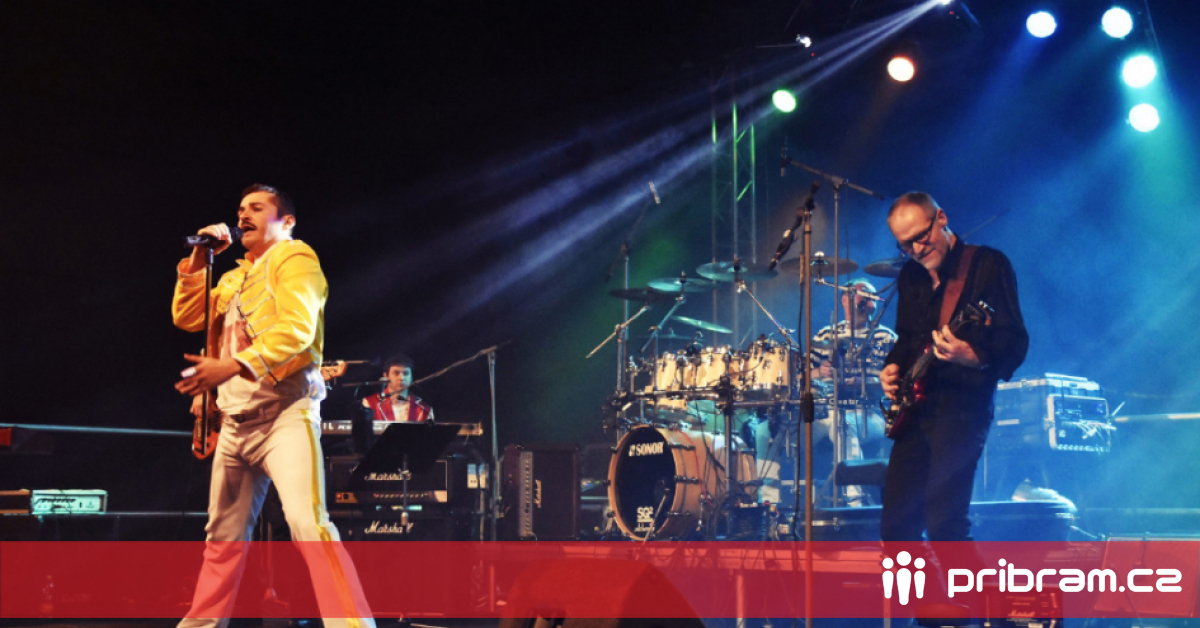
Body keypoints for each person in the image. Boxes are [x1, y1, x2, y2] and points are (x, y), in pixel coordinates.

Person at [172, 184, 374, 628]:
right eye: (241, 208)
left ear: (287, 221)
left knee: (307, 526)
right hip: (234, 425)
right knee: (222, 542)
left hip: (285, 417)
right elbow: (188, 317)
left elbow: (297, 328)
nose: (243, 214)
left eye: (257, 207)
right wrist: (200, 260)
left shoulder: (295, 257)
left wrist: (232, 365)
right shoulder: (231, 278)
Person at [879, 191, 1028, 544]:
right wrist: (892, 367)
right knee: (896, 530)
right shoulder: (910, 276)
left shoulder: (988, 265)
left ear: (941, 218)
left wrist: (973, 355)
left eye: (921, 237)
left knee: (945, 524)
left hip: (963, 408)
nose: (916, 250)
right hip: (915, 410)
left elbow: (1015, 340)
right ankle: (925, 585)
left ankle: (967, 584)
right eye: (905, 245)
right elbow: (906, 338)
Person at [755, 279, 897, 506]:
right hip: (824, 412)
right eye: (861, 297)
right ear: (844, 300)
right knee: (765, 431)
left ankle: (854, 500)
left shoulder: (886, 337)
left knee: (843, 424)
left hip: (869, 414)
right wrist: (818, 372)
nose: (867, 303)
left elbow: (897, 381)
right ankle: (769, 504)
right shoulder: (825, 335)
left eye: (869, 298)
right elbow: (800, 375)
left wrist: (864, 381)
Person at [356, 354, 435, 453]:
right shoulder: (369, 403)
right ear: (385, 375)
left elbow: (429, 443)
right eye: (396, 373)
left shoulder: (424, 409)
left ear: (411, 377)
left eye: (406, 373)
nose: (401, 378)